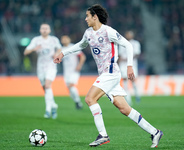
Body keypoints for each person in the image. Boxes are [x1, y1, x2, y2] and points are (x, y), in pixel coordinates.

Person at [54, 4, 163, 148]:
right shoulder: (88, 33)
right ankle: (154, 132)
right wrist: (63, 53)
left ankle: (103, 135)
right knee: (124, 108)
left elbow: (128, 45)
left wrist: (129, 66)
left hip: (111, 72)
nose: (85, 18)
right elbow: (80, 45)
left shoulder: (108, 31)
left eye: (87, 16)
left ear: (95, 17)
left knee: (89, 98)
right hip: (105, 74)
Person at [24, 23, 62, 119]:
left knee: (48, 85)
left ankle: (48, 110)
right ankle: (54, 106)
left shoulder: (54, 39)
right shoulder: (36, 40)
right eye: (43, 28)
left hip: (51, 66)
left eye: (46, 28)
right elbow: (25, 52)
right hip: (40, 67)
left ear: (49, 30)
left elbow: (60, 48)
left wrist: (56, 54)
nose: (44, 30)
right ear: (40, 30)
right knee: (45, 89)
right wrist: (34, 49)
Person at [61, 35, 86, 109]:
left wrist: (79, 65)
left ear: (69, 39)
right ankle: (77, 102)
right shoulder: (61, 49)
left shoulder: (73, 47)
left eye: (66, 38)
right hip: (66, 72)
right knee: (69, 89)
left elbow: (82, 56)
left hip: (74, 71)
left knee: (71, 86)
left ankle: (78, 102)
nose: (65, 40)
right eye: (63, 39)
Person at [118, 31, 141, 106]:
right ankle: (128, 99)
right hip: (123, 65)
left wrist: (128, 59)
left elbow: (137, 54)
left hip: (132, 64)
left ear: (132, 35)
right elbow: (120, 55)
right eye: (127, 34)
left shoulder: (136, 43)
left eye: (129, 34)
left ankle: (137, 95)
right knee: (125, 81)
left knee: (133, 80)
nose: (128, 35)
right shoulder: (121, 43)